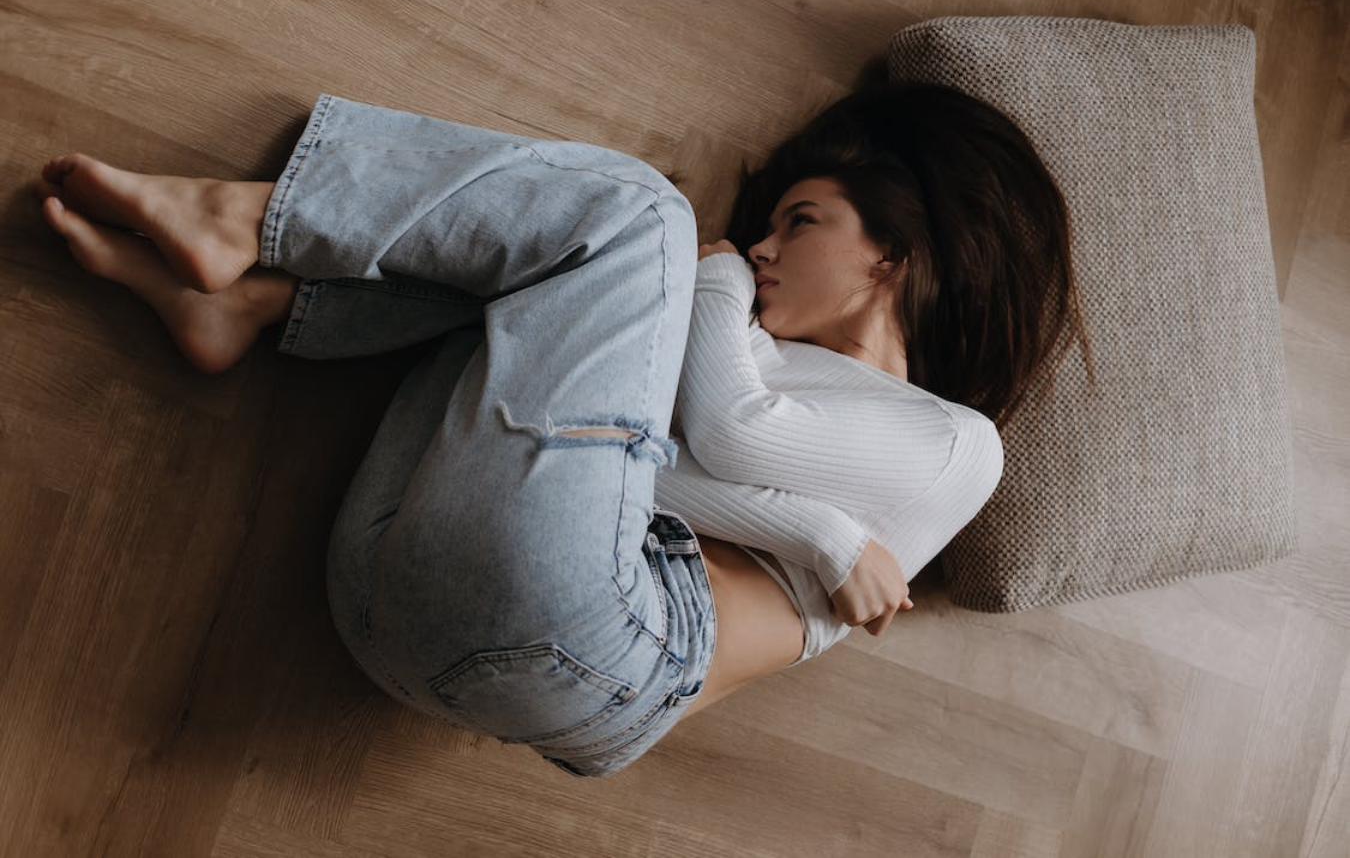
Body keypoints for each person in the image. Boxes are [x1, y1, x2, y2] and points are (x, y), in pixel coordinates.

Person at [33, 83, 1092, 778]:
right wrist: (819, 535)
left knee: (645, 215)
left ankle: (246, 218)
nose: (764, 247)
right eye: (766, 231)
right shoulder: (746, 368)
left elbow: (734, 431)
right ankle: (257, 306)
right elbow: (642, 475)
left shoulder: (956, 446)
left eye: (799, 223)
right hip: (403, 602)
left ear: (892, 257)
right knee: (534, 290)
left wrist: (716, 270)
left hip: (607, 642)